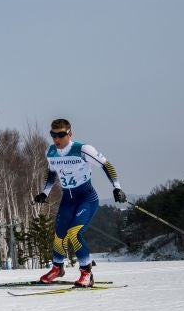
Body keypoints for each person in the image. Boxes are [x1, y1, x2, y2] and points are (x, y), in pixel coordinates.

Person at [34, 118, 126, 287]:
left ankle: (86, 273)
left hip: (86, 198)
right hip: (67, 199)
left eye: (61, 135)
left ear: (70, 134)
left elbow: (107, 165)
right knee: (59, 234)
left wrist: (117, 187)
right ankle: (57, 268)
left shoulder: (83, 149)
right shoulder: (51, 152)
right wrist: (44, 193)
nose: (57, 139)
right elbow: (52, 173)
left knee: (74, 233)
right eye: (53, 135)